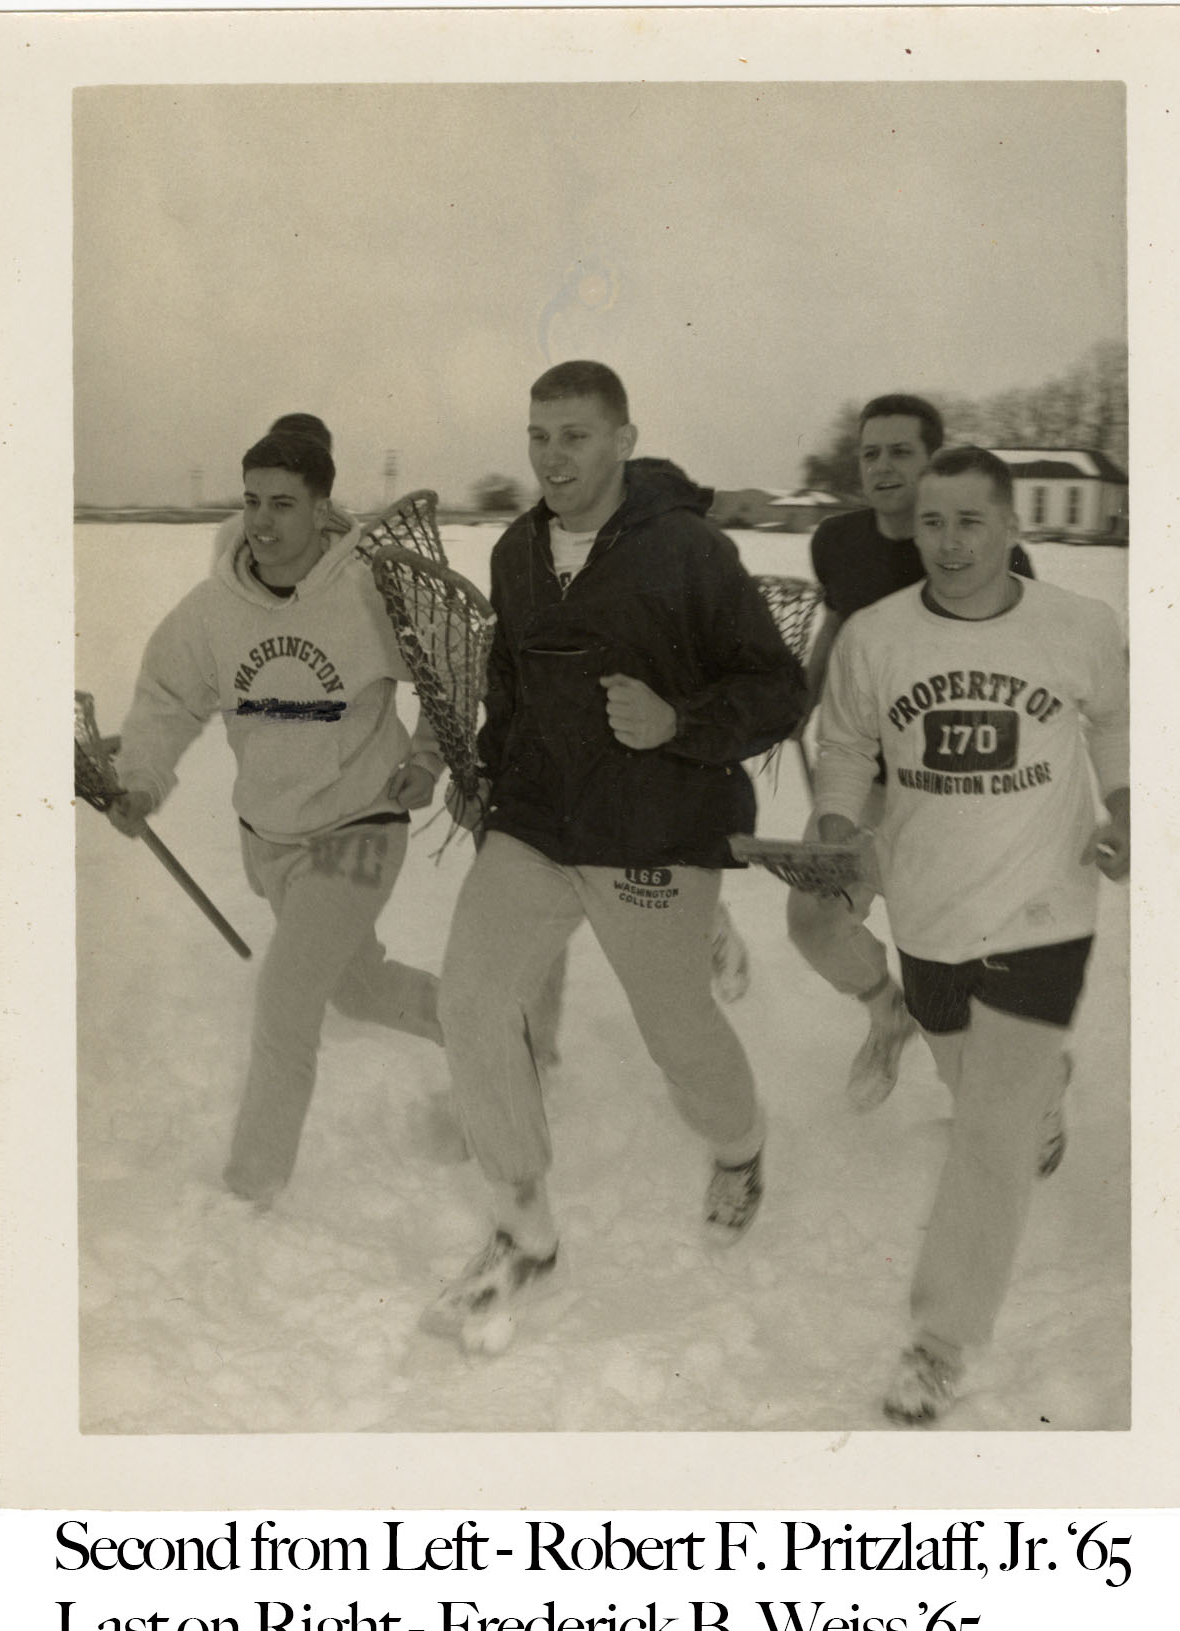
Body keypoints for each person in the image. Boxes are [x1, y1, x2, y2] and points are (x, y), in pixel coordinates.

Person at [429, 360, 807, 1345]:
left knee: (676, 1030)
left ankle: (740, 1145)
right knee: (471, 999)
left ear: (624, 441)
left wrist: (678, 720)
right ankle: (523, 1226)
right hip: (538, 825)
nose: (552, 456)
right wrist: (487, 770)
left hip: (654, 830)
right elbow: (511, 686)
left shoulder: (689, 550)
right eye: (538, 435)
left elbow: (777, 688)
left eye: (575, 435)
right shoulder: (516, 551)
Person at [814, 445, 1129, 1422]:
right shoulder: (876, 637)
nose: (949, 543)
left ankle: (940, 1342)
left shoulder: (1080, 625)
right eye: (933, 523)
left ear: (1011, 526)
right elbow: (846, 742)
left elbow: (1117, 722)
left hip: (1045, 909)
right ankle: (1043, 1092)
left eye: (970, 522)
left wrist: (1125, 804)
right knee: (966, 1076)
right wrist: (834, 819)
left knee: (987, 1136)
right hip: (930, 910)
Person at [107, 421, 445, 1208]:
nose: (261, 521)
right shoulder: (210, 611)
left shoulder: (369, 592)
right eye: (252, 501)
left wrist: (427, 759)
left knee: (287, 998)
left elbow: (449, 668)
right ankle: (485, 1024)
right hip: (271, 839)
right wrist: (142, 783)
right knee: (356, 988)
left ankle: (250, 1188)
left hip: (360, 827)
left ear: (323, 509)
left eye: (283, 504)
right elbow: (165, 702)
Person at [791, 395, 1035, 1111]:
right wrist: (803, 702)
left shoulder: (984, 548)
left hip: (955, 794)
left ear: (934, 461)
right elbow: (838, 621)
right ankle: (885, 1010)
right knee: (813, 922)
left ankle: (1034, 1097)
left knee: (964, 970)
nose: (883, 466)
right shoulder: (838, 540)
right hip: (863, 783)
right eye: (870, 453)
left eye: (901, 451)